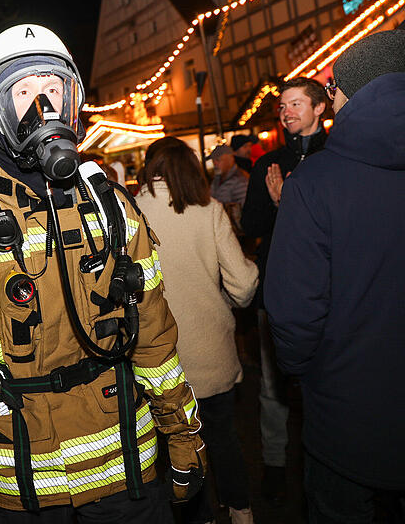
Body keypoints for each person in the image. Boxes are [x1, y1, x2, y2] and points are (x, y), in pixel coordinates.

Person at [0, 24, 205, 523]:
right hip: (19, 478)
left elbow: (152, 328)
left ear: (72, 99)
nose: (43, 106)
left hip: (123, 465)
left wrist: (182, 430)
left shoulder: (111, 206)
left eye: (52, 89)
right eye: (23, 92)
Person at [265, 30, 405, 523]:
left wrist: (303, 372)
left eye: (333, 89)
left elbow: (293, 312)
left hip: (346, 412)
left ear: (350, 92)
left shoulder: (314, 182)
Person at [137, 137, 258, 524]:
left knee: (175, 449)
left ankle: (198, 517)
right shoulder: (210, 210)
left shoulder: (131, 212)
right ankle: (241, 513)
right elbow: (243, 283)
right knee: (223, 438)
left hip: (159, 360)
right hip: (211, 352)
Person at [239, 76, 328, 505]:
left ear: (319, 108)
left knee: (326, 380)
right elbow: (251, 225)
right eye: (282, 107)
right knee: (272, 385)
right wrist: (275, 206)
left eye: (295, 104)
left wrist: (287, 204)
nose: (286, 112)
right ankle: (274, 464)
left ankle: (325, 462)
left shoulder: (334, 157)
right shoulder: (268, 165)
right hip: (276, 287)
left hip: (329, 289)